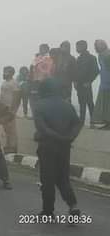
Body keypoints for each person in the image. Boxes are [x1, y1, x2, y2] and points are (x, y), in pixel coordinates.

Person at [33, 78, 83, 219]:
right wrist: (69, 138)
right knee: (63, 178)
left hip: (47, 147)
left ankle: (48, 211)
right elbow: (77, 124)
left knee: (47, 179)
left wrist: (55, 136)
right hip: (64, 147)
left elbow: (41, 127)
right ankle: (73, 206)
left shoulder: (39, 105)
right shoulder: (67, 105)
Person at [75, 40, 100, 126]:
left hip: (86, 84)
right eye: (76, 47)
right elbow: (76, 72)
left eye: (78, 46)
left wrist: (89, 81)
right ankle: (81, 122)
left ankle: (93, 122)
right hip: (79, 85)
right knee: (81, 103)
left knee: (89, 103)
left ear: (84, 46)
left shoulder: (91, 58)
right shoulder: (78, 59)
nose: (77, 48)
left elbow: (96, 71)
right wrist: (75, 81)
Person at [0, 66, 21, 154]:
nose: (3, 73)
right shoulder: (4, 83)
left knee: (11, 129)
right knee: (6, 129)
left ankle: (13, 147)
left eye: (5, 72)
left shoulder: (14, 83)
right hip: (3, 108)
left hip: (10, 109)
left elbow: (17, 96)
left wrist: (13, 110)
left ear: (11, 73)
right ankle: (8, 146)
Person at [92, 40, 110, 129]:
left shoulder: (107, 55)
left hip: (108, 83)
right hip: (104, 83)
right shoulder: (101, 55)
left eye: (99, 45)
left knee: (107, 104)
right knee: (105, 104)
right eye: (96, 45)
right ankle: (106, 122)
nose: (97, 46)